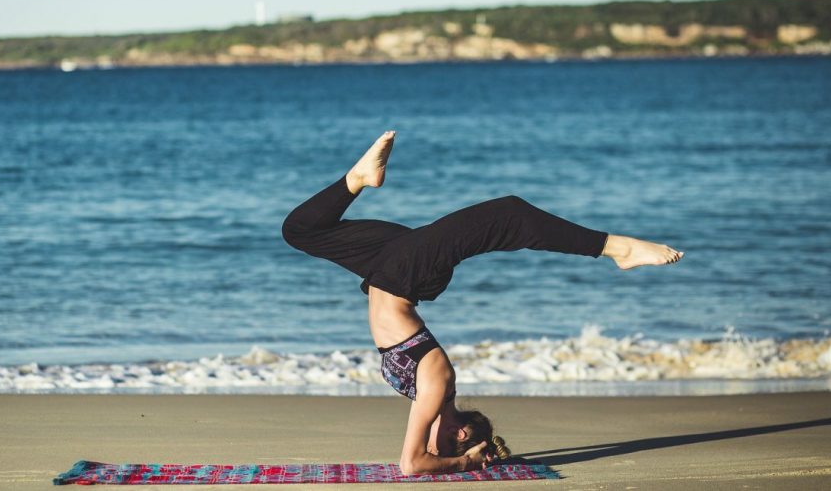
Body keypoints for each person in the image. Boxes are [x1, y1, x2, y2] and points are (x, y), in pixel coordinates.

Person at [281, 131, 683, 475]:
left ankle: (358, 178)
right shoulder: (437, 384)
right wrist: (464, 463)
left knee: (300, 230)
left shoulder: (428, 396)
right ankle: (618, 249)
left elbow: (415, 460)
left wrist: (468, 459)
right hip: (406, 274)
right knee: (510, 213)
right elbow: (413, 463)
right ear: (460, 433)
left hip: (387, 267)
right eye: (442, 445)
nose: (429, 443)